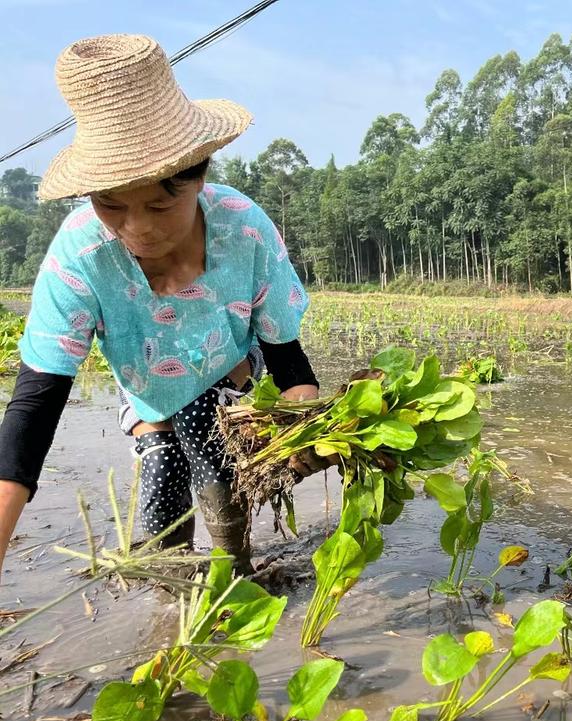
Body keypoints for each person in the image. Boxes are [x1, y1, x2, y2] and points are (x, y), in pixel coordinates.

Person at [0, 34, 331, 577]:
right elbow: (33, 410)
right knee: (161, 476)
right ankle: (169, 591)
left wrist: (299, 433)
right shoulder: (80, 256)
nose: (138, 229)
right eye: (111, 204)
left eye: (159, 204)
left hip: (231, 374)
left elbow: (288, 359)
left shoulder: (243, 229)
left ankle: (234, 572)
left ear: (199, 176)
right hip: (147, 384)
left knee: (207, 440)